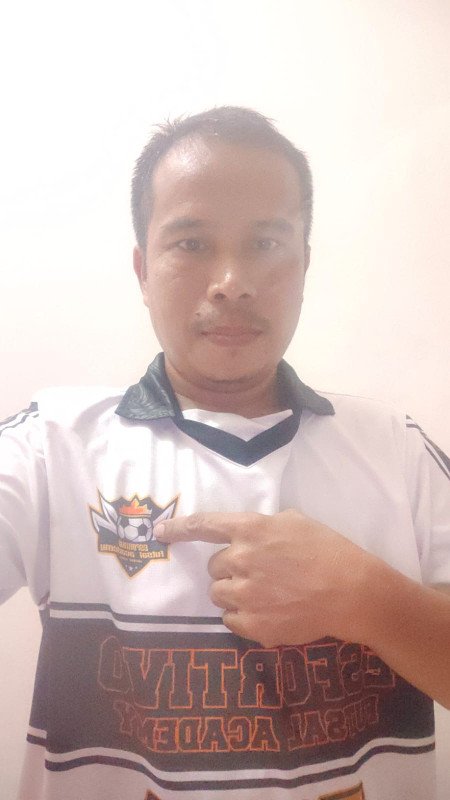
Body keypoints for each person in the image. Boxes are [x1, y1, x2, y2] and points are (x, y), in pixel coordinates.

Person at [1, 106, 449, 800]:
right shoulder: (50, 446)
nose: (233, 281)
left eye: (266, 243)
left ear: (305, 265)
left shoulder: (399, 449)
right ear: (142, 269)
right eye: (192, 243)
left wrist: (366, 598)